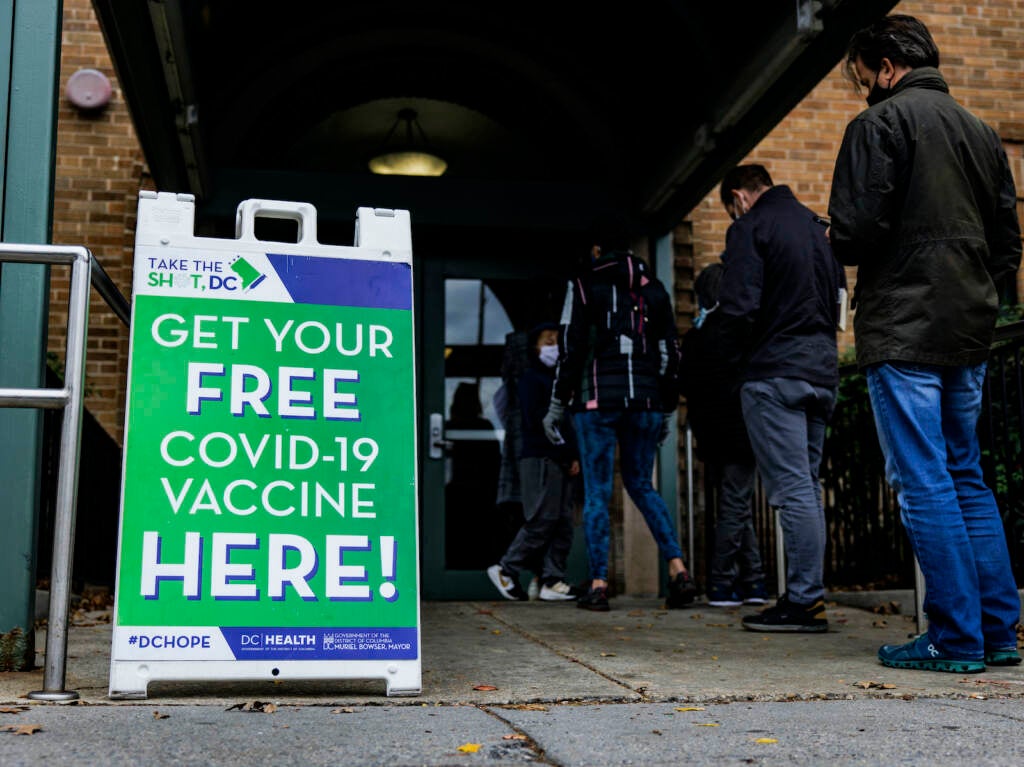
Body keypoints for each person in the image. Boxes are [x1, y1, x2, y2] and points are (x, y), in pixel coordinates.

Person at [828, 15, 1022, 672]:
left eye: (861, 77)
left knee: (924, 481)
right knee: (966, 475)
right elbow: (1007, 245)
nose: (862, 90)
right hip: (967, 327)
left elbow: (854, 233)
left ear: (884, 64)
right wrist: (975, 293)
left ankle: (953, 638)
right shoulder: (983, 133)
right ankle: (997, 632)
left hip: (903, 327)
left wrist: (834, 240)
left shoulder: (878, 125)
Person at [715, 164, 845, 632]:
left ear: (740, 197)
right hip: (821, 372)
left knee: (792, 491)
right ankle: (806, 596)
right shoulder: (819, 229)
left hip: (774, 373)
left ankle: (806, 602)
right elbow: (841, 306)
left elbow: (738, 309)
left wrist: (730, 368)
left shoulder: (751, 227)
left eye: (731, 208)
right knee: (807, 488)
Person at [543, 226, 697, 612]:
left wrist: (558, 402)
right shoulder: (655, 289)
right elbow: (669, 353)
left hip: (596, 401)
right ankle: (679, 570)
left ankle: (598, 584)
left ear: (597, 249)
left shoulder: (581, 285)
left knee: (597, 492)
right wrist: (664, 405)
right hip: (644, 401)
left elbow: (570, 347)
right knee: (641, 485)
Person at [678, 261, 766, 608]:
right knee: (735, 506)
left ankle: (754, 580)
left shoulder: (696, 336)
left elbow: (685, 383)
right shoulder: (741, 331)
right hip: (741, 432)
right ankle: (723, 582)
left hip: (709, 434)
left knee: (736, 505)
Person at [487, 323, 582, 602]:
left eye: (556, 340)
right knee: (543, 518)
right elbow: (539, 422)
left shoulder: (560, 381)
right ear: (534, 348)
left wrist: (572, 455)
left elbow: (567, 424)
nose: (553, 345)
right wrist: (565, 454)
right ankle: (506, 568)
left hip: (561, 458)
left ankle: (552, 580)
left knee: (563, 521)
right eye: (547, 340)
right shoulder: (531, 380)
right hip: (541, 457)